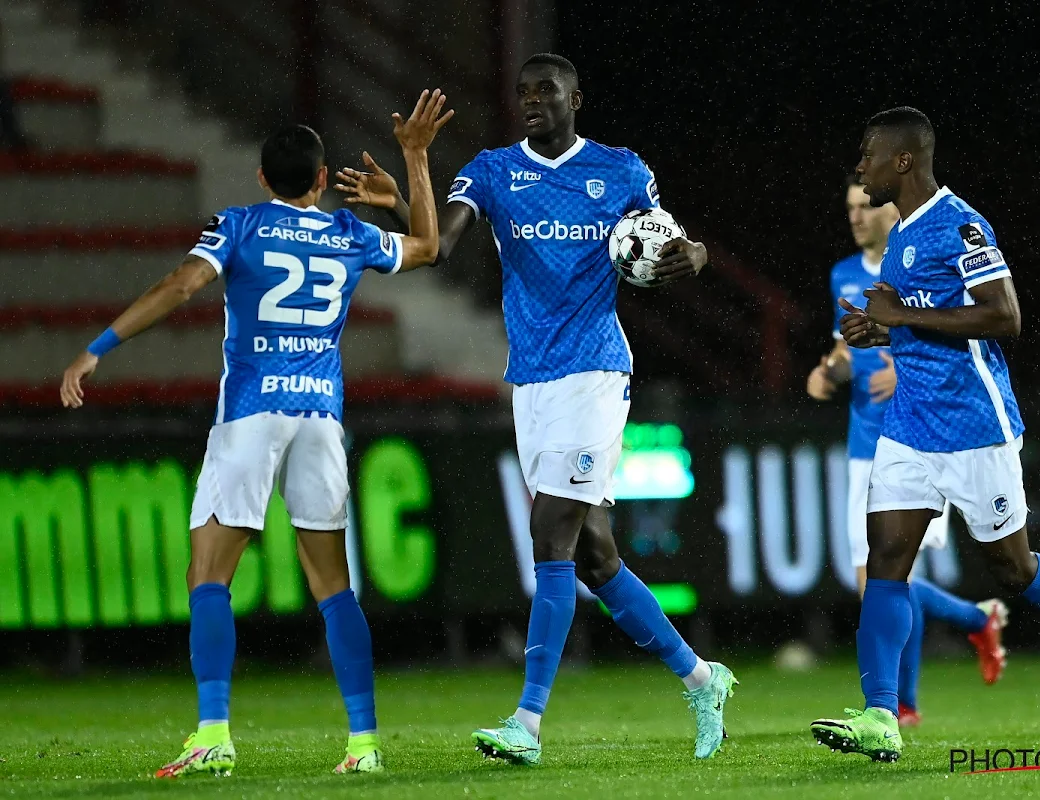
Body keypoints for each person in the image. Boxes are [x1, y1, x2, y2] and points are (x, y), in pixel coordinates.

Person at [335, 54, 736, 765]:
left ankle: (527, 722)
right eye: (521, 93)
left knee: (549, 534)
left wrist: (696, 256)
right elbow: (436, 246)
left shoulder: (619, 170)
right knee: (595, 557)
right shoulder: (492, 171)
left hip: (596, 374)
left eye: (544, 92)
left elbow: (669, 244)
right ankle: (703, 680)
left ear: (575, 98)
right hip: (532, 382)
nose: (530, 102)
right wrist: (412, 177)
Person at [60, 90, 454, 777]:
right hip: (319, 418)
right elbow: (427, 245)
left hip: (251, 411)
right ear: (325, 179)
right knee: (333, 587)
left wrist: (98, 346)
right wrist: (412, 164)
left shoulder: (239, 225)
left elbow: (184, 285)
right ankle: (364, 745)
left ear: (263, 178)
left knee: (209, 573)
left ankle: (213, 733)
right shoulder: (348, 234)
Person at [810, 106, 1040, 763]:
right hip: (907, 427)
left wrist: (898, 314)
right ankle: (881, 714)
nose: (861, 166)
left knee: (1013, 568)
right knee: (885, 565)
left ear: (903, 161)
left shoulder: (960, 225)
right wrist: (883, 331)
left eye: (869, 154)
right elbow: (915, 320)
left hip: (974, 426)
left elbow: (1004, 316)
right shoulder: (899, 236)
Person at [807, 178, 1009, 727]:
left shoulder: (914, 257)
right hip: (863, 441)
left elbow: (966, 327)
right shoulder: (843, 274)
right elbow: (845, 343)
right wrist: (830, 371)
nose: (855, 216)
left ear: (887, 209)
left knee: (889, 575)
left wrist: (905, 366)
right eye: (847, 207)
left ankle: (903, 704)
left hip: (922, 434)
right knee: (875, 579)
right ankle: (975, 621)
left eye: (863, 206)